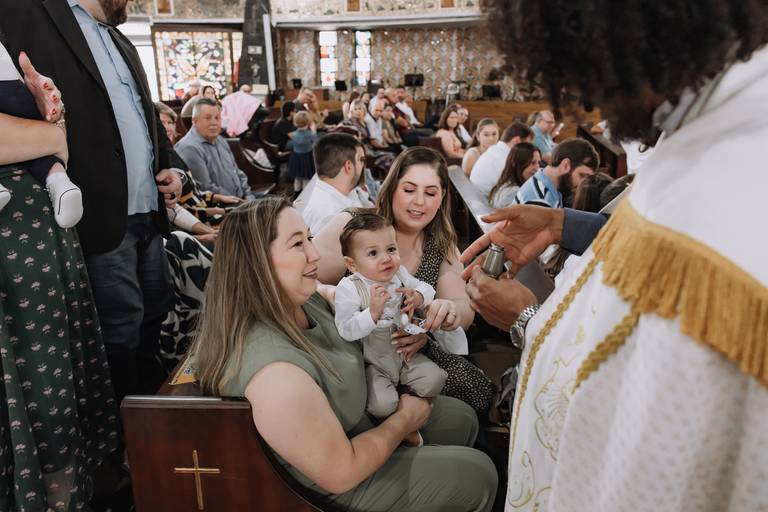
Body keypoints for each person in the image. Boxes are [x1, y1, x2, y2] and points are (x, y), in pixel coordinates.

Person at [467, 0, 768, 509]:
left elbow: (637, 426)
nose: (586, 102)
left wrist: (525, 319)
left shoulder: (725, 196)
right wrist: (563, 222)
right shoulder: (711, 119)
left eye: (585, 75)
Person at [190, 196, 498, 511]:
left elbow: (349, 315)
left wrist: (409, 330)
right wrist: (404, 421)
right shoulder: (274, 375)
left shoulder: (299, 299)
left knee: (463, 418)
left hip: (361, 421)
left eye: (310, 237)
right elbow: (340, 473)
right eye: (298, 244)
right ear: (257, 262)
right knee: (480, 475)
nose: (314, 253)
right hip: (337, 484)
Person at [2, 0, 183, 408]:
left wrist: (170, 167)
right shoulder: (27, 14)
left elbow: (144, 117)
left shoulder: (121, 40)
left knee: (155, 312)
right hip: (98, 208)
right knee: (119, 331)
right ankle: (125, 436)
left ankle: (157, 418)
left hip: (147, 211)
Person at [0, 43, 119, 512]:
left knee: (54, 379)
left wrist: (50, 138)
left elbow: (58, 133)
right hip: (12, 249)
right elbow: (50, 137)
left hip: (39, 240)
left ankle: (65, 495)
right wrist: (48, 139)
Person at [314, 147, 497, 413]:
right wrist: (329, 293)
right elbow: (303, 278)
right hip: (354, 350)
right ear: (392, 188)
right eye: (409, 190)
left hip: (411, 350)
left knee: (476, 388)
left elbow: (462, 307)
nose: (419, 202)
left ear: (442, 196)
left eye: (430, 193)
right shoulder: (354, 225)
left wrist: (447, 312)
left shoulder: (441, 244)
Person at [334, 213, 448, 447]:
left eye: (391, 249)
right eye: (373, 253)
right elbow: (345, 329)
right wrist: (371, 314)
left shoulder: (399, 275)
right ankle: (398, 419)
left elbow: (427, 288)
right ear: (352, 264)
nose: (386, 259)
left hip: (403, 352)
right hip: (374, 361)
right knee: (382, 404)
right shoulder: (350, 288)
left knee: (436, 379)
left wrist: (417, 297)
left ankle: (406, 397)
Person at [0, 45, 83, 228]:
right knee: (41, 152)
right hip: (14, 85)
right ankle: (59, 180)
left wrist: (56, 124)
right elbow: (55, 139)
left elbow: (55, 137)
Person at [175, 98, 257, 200]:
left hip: (242, 200)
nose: (214, 123)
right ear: (194, 121)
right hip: (221, 207)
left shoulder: (221, 140)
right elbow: (206, 188)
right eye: (208, 118)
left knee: (277, 203)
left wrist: (249, 195)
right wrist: (241, 202)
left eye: (217, 118)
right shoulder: (189, 148)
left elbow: (237, 172)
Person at [301, 132, 372, 235]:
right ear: (348, 166)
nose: (363, 165)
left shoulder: (347, 189)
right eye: (361, 160)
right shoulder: (328, 216)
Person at [513, 137, 598, 208]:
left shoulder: (543, 180)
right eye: (582, 176)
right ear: (565, 165)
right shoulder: (541, 200)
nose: (582, 184)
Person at [470, 121, 533, 195]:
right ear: (517, 141)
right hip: (484, 203)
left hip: (477, 198)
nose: (530, 150)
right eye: (528, 145)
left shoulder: (495, 149)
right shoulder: (506, 159)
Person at [487, 142, 541, 208]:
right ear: (517, 164)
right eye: (532, 163)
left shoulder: (506, 183)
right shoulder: (513, 193)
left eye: (538, 163)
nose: (537, 168)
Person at [286, 111, 317, 193]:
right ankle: (305, 194)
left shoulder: (292, 134)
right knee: (306, 177)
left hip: (296, 157)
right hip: (307, 157)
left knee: (297, 177)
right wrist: (314, 130)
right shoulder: (310, 134)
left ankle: (296, 193)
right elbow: (314, 142)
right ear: (308, 122)